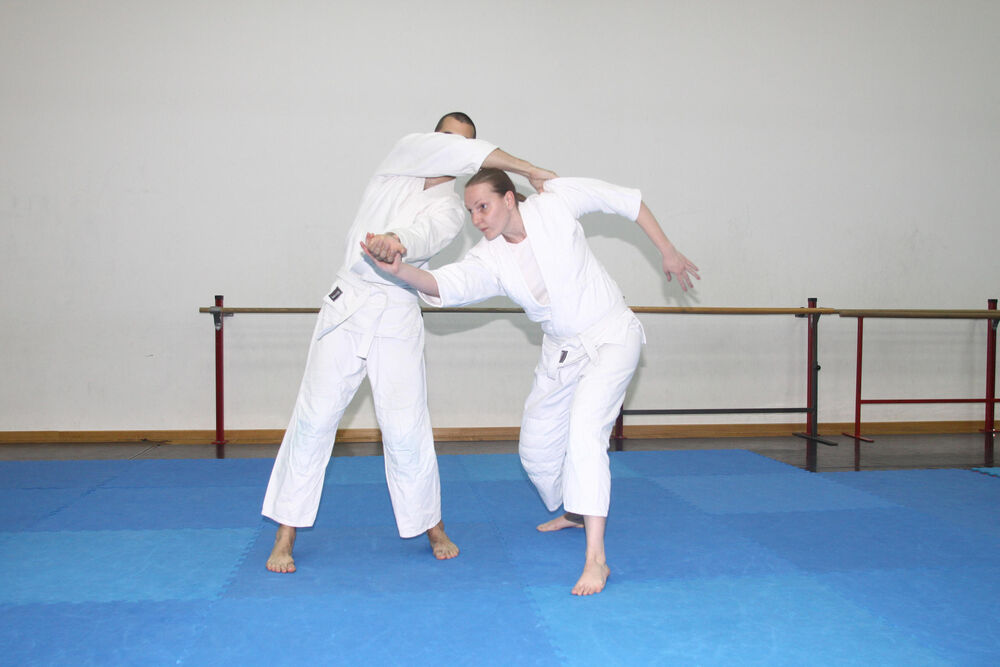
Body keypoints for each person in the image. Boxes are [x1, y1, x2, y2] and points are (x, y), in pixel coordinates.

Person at [361, 167, 698, 595]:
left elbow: (627, 202)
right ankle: (576, 510)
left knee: (585, 432)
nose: (477, 218)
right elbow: (445, 283)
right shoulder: (489, 257)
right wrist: (399, 270)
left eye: (483, 206)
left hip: (612, 335)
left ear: (509, 199)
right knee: (536, 453)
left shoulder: (555, 203)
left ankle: (596, 559)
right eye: (470, 211)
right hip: (561, 351)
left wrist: (668, 251)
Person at [262, 114, 555, 573]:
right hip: (348, 303)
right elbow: (451, 152)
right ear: (431, 138)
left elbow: (424, 235)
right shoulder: (400, 159)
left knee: (406, 425)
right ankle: (285, 533)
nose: (452, 149)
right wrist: (528, 169)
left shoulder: (451, 210)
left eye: (465, 146)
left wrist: (395, 242)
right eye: (447, 139)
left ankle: (430, 524)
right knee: (314, 418)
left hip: (397, 309)